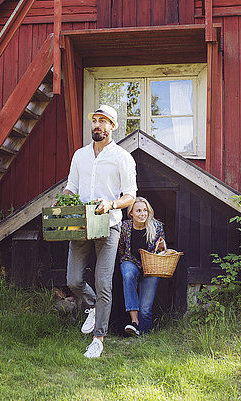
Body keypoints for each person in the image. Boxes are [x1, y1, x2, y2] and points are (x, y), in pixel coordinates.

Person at [63, 105, 137, 358]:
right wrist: (62, 201)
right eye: (94, 120)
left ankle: (98, 339)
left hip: (109, 223)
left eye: (103, 121)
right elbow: (71, 187)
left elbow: (130, 196)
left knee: (103, 282)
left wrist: (111, 203)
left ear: (113, 126)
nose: (97, 125)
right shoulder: (80, 156)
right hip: (81, 224)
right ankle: (93, 306)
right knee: (73, 279)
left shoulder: (122, 158)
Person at [118, 197, 166, 336]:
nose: (142, 213)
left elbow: (162, 250)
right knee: (128, 274)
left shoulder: (156, 226)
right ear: (131, 213)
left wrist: (162, 247)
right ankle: (134, 322)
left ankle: (144, 335)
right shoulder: (125, 227)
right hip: (131, 261)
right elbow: (122, 248)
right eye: (138, 210)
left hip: (151, 266)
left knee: (145, 308)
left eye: (145, 210)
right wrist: (125, 258)